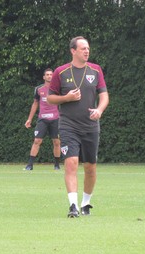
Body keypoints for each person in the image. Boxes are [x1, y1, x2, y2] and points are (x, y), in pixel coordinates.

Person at [47, 36, 109, 217]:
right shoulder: (61, 72)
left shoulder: (96, 70)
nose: (87, 51)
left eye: (88, 48)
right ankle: (73, 206)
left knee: (90, 167)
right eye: (83, 48)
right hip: (68, 125)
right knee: (71, 163)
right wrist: (66, 98)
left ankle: (86, 203)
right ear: (73, 51)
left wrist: (99, 110)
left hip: (90, 126)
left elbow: (104, 95)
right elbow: (50, 98)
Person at [24, 68, 61, 171]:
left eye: (51, 74)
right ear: (44, 77)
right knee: (37, 141)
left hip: (55, 119)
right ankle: (29, 165)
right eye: (47, 75)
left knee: (56, 142)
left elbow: (63, 102)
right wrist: (29, 119)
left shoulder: (58, 89)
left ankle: (57, 165)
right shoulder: (38, 89)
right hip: (42, 119)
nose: (49, 76)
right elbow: (35, 103)